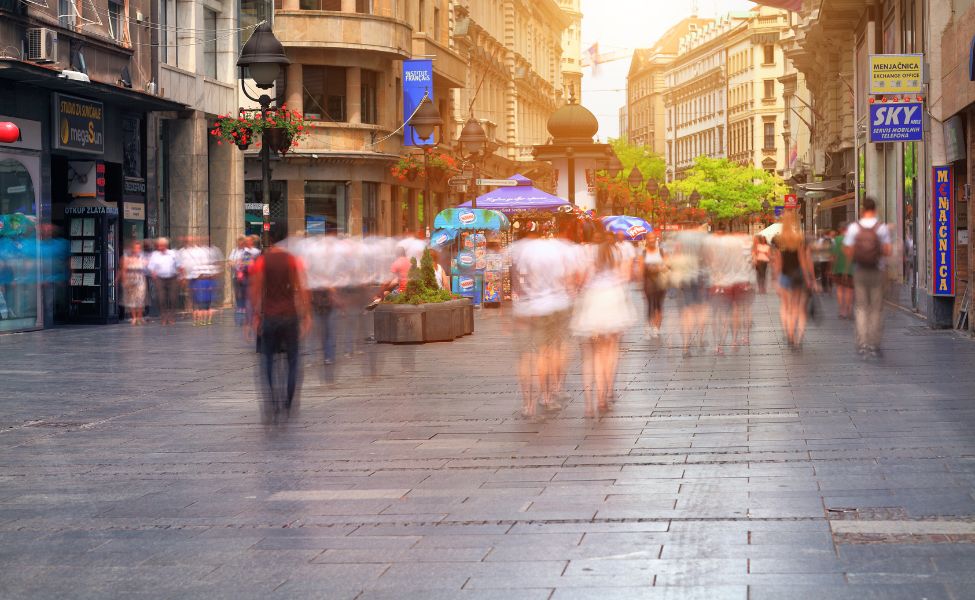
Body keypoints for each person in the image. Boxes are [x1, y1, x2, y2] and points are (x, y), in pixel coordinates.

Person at [570, 229, 637, 417]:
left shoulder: (586, 252)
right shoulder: (617, 251)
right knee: (610, 350)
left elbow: (580, 279)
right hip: (613, 299)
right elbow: (626, 277)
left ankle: (593, 401)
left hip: (593, 301)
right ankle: (606, 391)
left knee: (593, 354)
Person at [509, 229, 575, 419]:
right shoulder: (552, 251)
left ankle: (528, 404)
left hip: (522, 308)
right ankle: (546, 396)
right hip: (546, 308)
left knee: (524, 357)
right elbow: (564, 280)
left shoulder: (515, 250)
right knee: (543, 353)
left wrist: (506, 311)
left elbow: (510, 281)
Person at [249, 227, 312, 415]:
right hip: (289, 316)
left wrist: (254, 316)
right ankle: (288, 401)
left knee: (267, 358)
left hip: (269, 316)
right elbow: (301, 288)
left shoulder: (262, 260)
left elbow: (255, 290)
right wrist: (306, 314)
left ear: (271, 239)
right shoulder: (293, 260)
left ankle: (272, 400)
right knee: (292, 360)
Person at [843, 196, 892, 358]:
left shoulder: (854, 228)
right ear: (875, 210)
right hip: (877, 271)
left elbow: (848, 251)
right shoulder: (882, 228)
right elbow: (887, 251)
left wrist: (850, 265)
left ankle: (862, 343)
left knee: (861, 308)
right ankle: (874, 344)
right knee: (876, 309)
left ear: (863, 210)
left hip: (860, 271)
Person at [772, 211, 816, 350]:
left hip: (784, 276)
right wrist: (809, 278)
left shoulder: (779, 240)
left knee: (786, 306)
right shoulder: (799, 239)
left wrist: (775, 279)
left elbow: (777, 263)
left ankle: (789, 333)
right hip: (798, 276)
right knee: (798, 307)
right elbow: (803, 262)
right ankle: (799, 337)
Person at [147, 237, 180, 325]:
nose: (160, 247)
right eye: (159, 245)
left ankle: (172, 316)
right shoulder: (155, 254)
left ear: (166, 245)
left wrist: (181, 275)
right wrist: (153, 273)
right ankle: (163, 316)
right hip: (160, 278)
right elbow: (151, 266)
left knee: (173, 298)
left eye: (162, 245)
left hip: (172, 277)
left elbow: (179, 265)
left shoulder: (172, 253)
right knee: (161, 298)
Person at [229, 235, 261, 326]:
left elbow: (247, 263)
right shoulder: (247, 251)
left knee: (248, 296)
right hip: (242, 276)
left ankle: (248, 317)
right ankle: (243, 315)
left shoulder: (254, 251)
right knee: (241, 295)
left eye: (247, 240)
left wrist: (239, 262)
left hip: (249, 277)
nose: (245, 242)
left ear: (252, 242)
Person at [642, 234, 667, 340]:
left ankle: (657, 328)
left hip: (660, 281)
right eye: (649, 239)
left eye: (653, 238)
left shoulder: (661, 252)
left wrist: (658, 268)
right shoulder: (644, 253)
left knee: (658, 305)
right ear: (647, 241)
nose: (651, 240)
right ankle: (649, 326)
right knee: (650, 305)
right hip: (648, 281)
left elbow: (667, 265)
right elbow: (641, 269)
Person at [120, 241, 148, 325]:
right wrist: (124, 280)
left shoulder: (142, 257)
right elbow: (123, 270)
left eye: (138, 248)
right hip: (130, 278)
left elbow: (147, 268)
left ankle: (139, 317)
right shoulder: (126, 257)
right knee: (131, 299)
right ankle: (134, 317)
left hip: (140, 279)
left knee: (140, 298)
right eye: (135, 248)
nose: (137, 249)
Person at [831, 223, 854, 319]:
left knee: (840, 289)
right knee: (849, 290)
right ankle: (849, 309)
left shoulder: (837, 240)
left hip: (838, 268)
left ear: (840, 230)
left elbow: (834, 255)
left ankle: (842, 310)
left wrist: (831, 268)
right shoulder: (852, 240)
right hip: (850, 268)